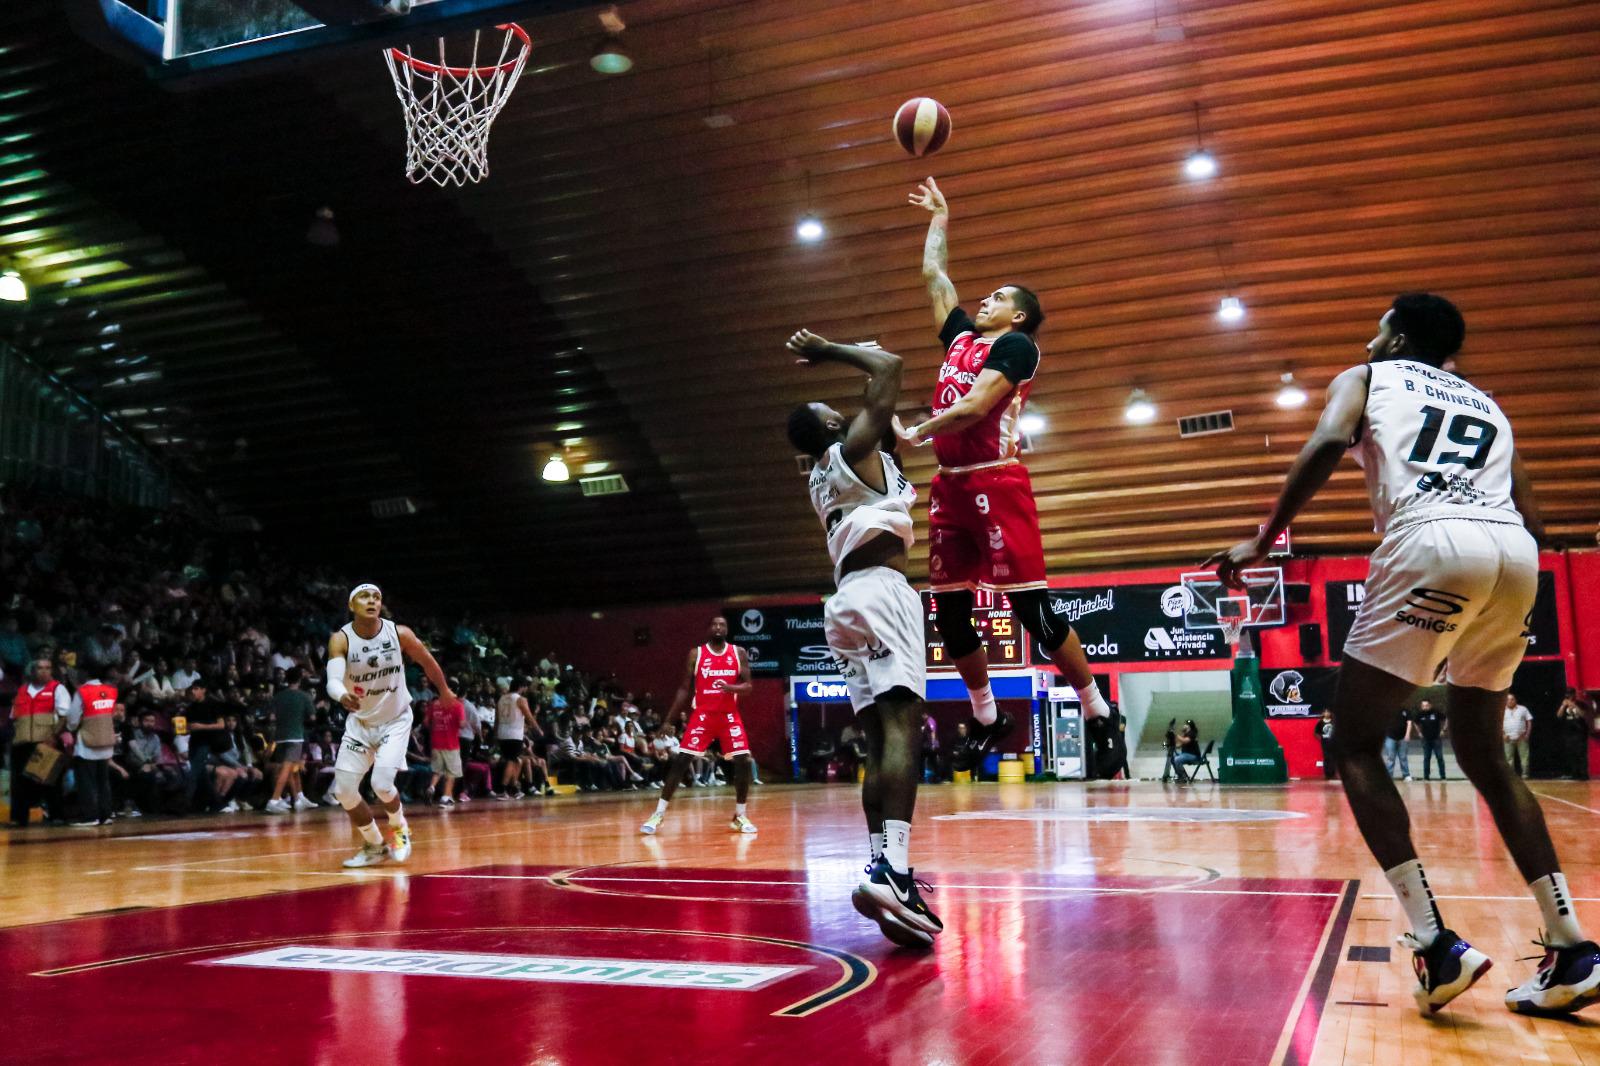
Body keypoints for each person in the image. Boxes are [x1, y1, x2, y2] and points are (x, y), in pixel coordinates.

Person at [1207, 293, 1598, 1015]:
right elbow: (1535, 518)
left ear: (1402, 338)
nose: (1370, 334)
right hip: (1514, 557)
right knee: (1483, 755)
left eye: (1380, 324)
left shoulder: (1367, 376)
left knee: (1353, 742)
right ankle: (1572, 944)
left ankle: (1434, 943)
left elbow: (1327, 441)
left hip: (1431, 539)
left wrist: (1264, 538)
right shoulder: (1487, 403)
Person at [899, 176, 1110, 756]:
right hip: (951, 486)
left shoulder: (1016, 349)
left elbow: (972, 408)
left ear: (1017, 318)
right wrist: (939, 219)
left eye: (999, 297)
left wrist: (918, 429)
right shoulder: (960, 340)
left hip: (997, 479)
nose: (985, 300)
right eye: (986, 295)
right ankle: (987, 715)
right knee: (947, 611)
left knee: (1032, 613)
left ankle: (1097, 708)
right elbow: (934, 279)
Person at [783, 326, 942, 948]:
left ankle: (881, 865)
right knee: (903, 730)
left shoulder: (830, 470)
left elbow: (886, 404)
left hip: (845, 601)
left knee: (879, 740)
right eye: (833, 410)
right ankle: (897, 871)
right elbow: (891, 367)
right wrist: (833, 351)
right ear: (828, 427)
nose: (844, 408)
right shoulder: (850, 447)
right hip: (880, 591)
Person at [326, 583, 455, 868]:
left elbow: (427, 661)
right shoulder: (341, 639)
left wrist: (444, 691)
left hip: (395, 720)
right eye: (364, 596)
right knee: (344, 791)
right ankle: (374, 845)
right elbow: (333, 679)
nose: (372, 600)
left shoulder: (399, 633)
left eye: (376, 596)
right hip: (360, 723)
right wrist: (341, 695)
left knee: (382, 784)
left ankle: (399, 828)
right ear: (352, 605)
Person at [641, 616, 757, 834]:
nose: (718, 627)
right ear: (708, 629)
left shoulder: (737, 652)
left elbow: (749, 686)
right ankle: (659, 813)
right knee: (681, 760)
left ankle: (740, 815)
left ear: (727, 629)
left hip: (728, 715)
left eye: (722, 624)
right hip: (703, 714)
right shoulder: (697, 653)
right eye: (714, 624)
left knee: (742, 760)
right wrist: (669, 720)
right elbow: (684, 688)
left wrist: (730, 688)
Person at [9, 657, 69, 826]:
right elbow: (14, 717)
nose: (44, 671)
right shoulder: (21, 690)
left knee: (51, 781)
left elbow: (64, 716)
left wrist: (53, 737)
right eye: (40, 668)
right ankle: (19, 818)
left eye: (47, 668)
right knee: (20, 783)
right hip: (22, 742)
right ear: (32, 671)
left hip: (46, 741)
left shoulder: (57, 689)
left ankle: (57, 815)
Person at [67, 669, 121, 827]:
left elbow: (72, 719)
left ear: (84, 674)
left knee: (86, 781)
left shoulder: (82, 692)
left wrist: (73, 727)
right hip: (106, 741)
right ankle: (105, 815)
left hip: (87, 743)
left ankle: (90, 816)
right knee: (103, 781)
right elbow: (111, 714)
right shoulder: (111, 691)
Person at [264, 669, 315, 814]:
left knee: (292, 768)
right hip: (295, 736)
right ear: (299, 679)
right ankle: (274, 800)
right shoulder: (304, 696)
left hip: (280, 737)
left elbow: (272, 717)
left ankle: (299, 798)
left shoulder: (278, 696)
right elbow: (312, 718)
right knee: (287, 768)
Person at [425, 688, 469, 806]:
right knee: (451, 772)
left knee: (437, 771)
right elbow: (461, 724)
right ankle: (446, 798)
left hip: (436, 743)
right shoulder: (458, 705)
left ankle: (431, 787)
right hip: (451, 744)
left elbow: (426, 722)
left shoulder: (434, 704)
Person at [1415, 699, 1448, 781]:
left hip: (1436, 739)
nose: (1425, 707)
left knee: (1440, 757)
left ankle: (1443, 777)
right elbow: (1415, 722)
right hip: (1426, 740)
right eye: (1423, 706)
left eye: (1426, 706)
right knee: (1426, 758)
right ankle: (1426, 777)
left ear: (1430, 705)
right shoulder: (1420, 714)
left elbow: (1446, 719)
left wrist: (1443, 730)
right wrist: (1419, 732)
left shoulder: (1436, 712)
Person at [1503, 693, 1533, 778]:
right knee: (1509, 758)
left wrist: (1527, 734)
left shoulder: (1523, 709)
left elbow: (1529, 721)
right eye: (1508, 699)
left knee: (1524, 757)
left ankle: (1525, 774)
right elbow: (1498, 723)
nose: (1510, 701)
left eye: (1512, 699)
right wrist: (1503, 735)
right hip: (1508, 738)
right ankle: (1511, 776)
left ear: (1515, 700)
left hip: (1521, 737)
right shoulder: (1501, 710)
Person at [1384, 706, 1414, 781]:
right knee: (1391, 757)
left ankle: (1406, 775)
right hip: (1390, 737)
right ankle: (1389, 776)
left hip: (1403, 738)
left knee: (1403, 757)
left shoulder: (1406, 710)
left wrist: (1407, 734)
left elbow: (1409, 723)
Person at [1316, 710, 1338, 780]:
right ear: (1323, 713)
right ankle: (1327, 775)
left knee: (1333, 758)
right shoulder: (1320, 722)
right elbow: (1316, 732)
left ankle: (1333, 774)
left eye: (1328, 712)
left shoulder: (1333, 722)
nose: (1327, 713)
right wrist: (1322, 738)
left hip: (1333, 743)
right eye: (1325, 712)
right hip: (1325, 743)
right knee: (1326, 758)